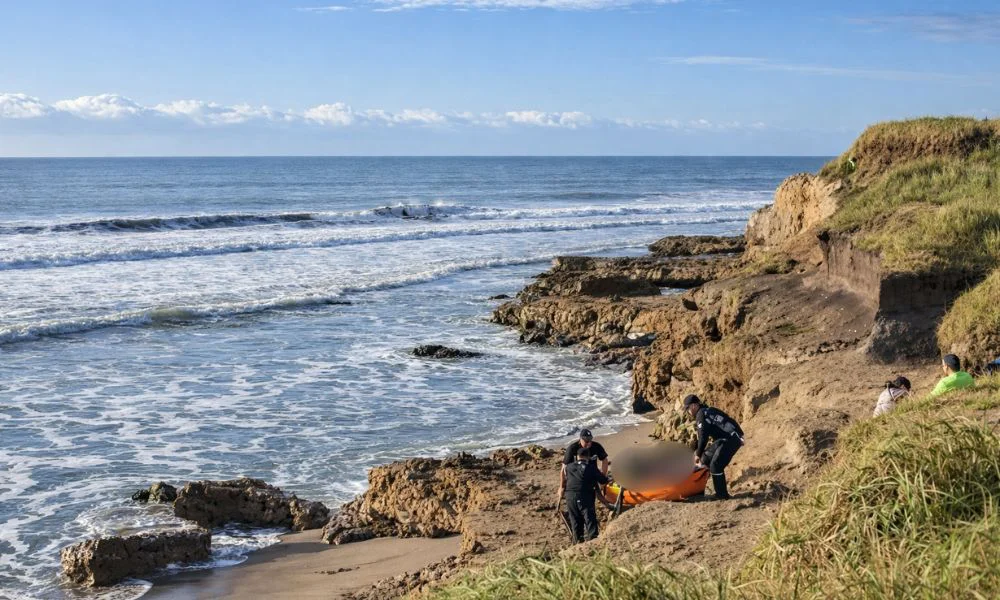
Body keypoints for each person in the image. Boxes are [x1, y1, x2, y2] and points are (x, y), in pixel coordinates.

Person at [684, 394, 744, 500]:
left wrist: (697, 454)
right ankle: (697, 490)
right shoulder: (709, 410)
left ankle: (722, 495)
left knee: (715, 466)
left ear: (693, 406)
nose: (688, 412)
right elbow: (728, 419)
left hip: (731, 440)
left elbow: (703, 438)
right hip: (726, 439)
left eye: (687, 409)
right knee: (704, 459)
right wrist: (741, 434)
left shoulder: (701, 415)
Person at [555, 447, 611, 543]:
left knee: (575, 521)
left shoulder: (569, 467)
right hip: (585, 496)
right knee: (590, 520)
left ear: (577, 457)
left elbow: (564, 477)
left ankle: (577, 543)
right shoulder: (591, 468)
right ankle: (593, 542)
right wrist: (609, 479)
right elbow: (603, 480)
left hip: (570, 497)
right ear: (588, 457)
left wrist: (561, 489)